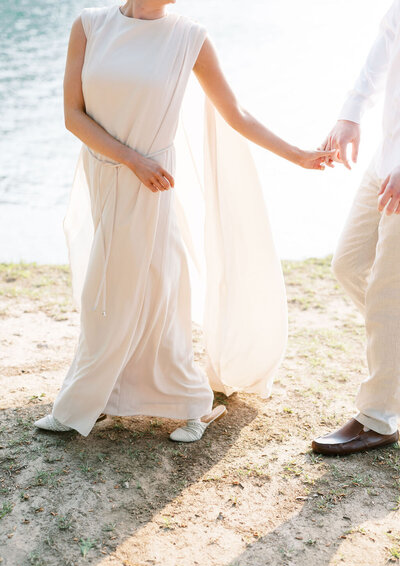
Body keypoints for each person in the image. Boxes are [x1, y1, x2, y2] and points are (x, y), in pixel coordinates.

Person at [34, 0, 333, 442]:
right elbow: (72, 115)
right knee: (132, 285)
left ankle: (157, 402)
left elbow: (236, 113)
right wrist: (129, 159)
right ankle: (119, 396)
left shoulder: (190, 37)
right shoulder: (89, 25)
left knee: (139, 287)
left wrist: (298, 155)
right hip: (107, 172)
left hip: (151, 180)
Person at [312, 0, 400, 455]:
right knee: (348, 265)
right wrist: (351, 112)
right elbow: (382, 53)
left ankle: (379, 417)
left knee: (388, 294)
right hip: (385, 160)